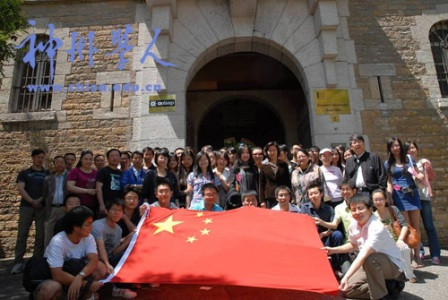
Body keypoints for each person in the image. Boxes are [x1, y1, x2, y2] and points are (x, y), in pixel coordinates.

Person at [323, 194, 406, 300]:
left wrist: (347, 276)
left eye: (360, 208)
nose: (357, 212)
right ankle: (390, 287)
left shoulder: (376, 227)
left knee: (371, 259)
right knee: (347, 289)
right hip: (369, 264)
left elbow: (363, 255)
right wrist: (332, 250)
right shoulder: (354, 225)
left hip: (393, 266)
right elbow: (353, 245)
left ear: (370, 209)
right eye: (353, 209)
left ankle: (381, 296)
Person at [39, 206, 106, 300]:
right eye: (88, 225)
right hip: (56, 278)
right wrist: (86, 284)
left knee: (100, 267)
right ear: (76, 227)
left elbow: (94, 260)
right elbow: (57, 274)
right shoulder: (58, 241)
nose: (91, 227)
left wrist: (80, 277)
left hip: (76, 273)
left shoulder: (88, 237)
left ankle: (83, 295)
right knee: (50, 289)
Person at [385, 137, 424, 268]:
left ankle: (417, 255)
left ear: (400, 146)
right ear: (389, 148)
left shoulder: (409, 159)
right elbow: (389, 181)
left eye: (397, 145)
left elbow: (417, 173)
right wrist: (389, 194)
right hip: (399, 196)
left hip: (412, 194)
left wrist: (421, 176)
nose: (395, 148)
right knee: (406, 227)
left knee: (416, 226)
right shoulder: (388, 164)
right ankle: (410, 257)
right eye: (392, 146)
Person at [11, 149, 50, 274]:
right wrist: (31, 201)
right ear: (33, 158)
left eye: (42, 157)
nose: (40, 159)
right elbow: (21, 189)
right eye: (38, 157)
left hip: (41, 207)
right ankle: (18, 262)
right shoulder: (24, 173)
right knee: (22, 234)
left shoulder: (47, 173)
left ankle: (36, 262)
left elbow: (49, 190)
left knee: (40, 235)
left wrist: (39, 200)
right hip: (26, 207)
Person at [92, 199, 137, 299]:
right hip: (95, 260)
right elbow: (101, 247)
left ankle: (122, 286)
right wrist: (107, 264)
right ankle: (114, 290)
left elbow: (115, 251)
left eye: (120, 210)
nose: (117, 213)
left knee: (130, 254)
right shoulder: (97, 225)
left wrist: (130, 238)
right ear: (107, 211)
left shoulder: (118, 229)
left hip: (109, 259)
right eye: (114, 210)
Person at [405, 140, 440, 265]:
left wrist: (428, 167)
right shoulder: (405, 165)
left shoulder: (422, 163)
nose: (411, 150)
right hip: (412, 198)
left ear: (417, 149)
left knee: (429, 226)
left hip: (424, 197)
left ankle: (435, 254)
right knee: (414, 227)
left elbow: (432, 177)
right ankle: (419, 251)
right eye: (409, 149)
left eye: (413, 148)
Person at [372, 188, 417, 283]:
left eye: (381, 199)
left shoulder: (393, 210)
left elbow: (404, 225)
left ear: (385, 200)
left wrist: (400, 239)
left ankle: (409, 274)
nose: (378, 202)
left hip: (396, 240)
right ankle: (395, 273)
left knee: (405, 249)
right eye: (376, 200)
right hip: (383, 244)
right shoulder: (372, 216)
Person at [300, 183, 344, 271]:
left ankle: (336, 267)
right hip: (311, 240)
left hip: (325, 238)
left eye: (315, 193)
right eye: (310, 194)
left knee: (338, 234)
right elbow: (301, 227)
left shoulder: (329, 209)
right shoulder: (304, 208)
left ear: (321, 194)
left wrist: (324, 234)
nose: (313, 196)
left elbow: (334, 227)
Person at [43, 156, 69, 248]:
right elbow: (45, 195)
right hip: (52, 208)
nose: (59, 164)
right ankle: (47, 254)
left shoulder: (70, 177)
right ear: (54, 164)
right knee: (48, 232)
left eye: (61, 162)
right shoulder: (48, 179)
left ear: (65, 164)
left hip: (65, 208)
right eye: (57, 162)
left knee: (65, 231)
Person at [259, 141, 291, 208]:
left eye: (274, 150)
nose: (272, 152)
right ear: (267, 152)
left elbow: (288, 182)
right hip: (270, 197)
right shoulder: (264, 166)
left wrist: (290, 196)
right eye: (270, 150)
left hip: (283, 196)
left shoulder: (283, 165)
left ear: (277, 151)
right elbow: (261, 185)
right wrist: (262, 201)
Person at [226, 144, 259, 209]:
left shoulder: (254, 167)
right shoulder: (235, 168)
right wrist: (235, 195)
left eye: (247, 153)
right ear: (239, 154)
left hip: (253, 199)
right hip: (240, 199)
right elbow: (231, 183)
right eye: (243, 153)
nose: (245, 155)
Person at [67, 150, 98, 215]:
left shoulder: (96, 173)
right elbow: (70, 187)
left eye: (90, 159)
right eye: (86, 159)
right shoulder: (75, 172)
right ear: (81, 160)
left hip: (93, 205)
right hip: (78, 205)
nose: (88, 161)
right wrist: (87, 191)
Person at [96, 148, 122, 216]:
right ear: (107, 158)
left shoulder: (121, 173)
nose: (114, 158)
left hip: (118, 205)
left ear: (120, 158)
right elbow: (98, 188)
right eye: (112, 156)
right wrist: (101, 204)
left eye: (117, 156)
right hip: (106, 205)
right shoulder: (103, 171)